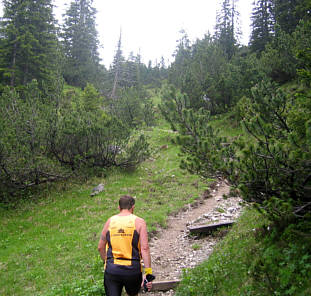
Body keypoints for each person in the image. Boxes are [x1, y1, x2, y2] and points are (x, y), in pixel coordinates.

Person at [98, 195, 153, 296]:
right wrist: (148, 272)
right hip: (132, 270)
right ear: (133, 207)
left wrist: (106, 262)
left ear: (119, 208)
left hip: (112, 269)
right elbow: (145, 248)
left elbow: (100, 247)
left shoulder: (110, 221)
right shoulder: (139, 222)